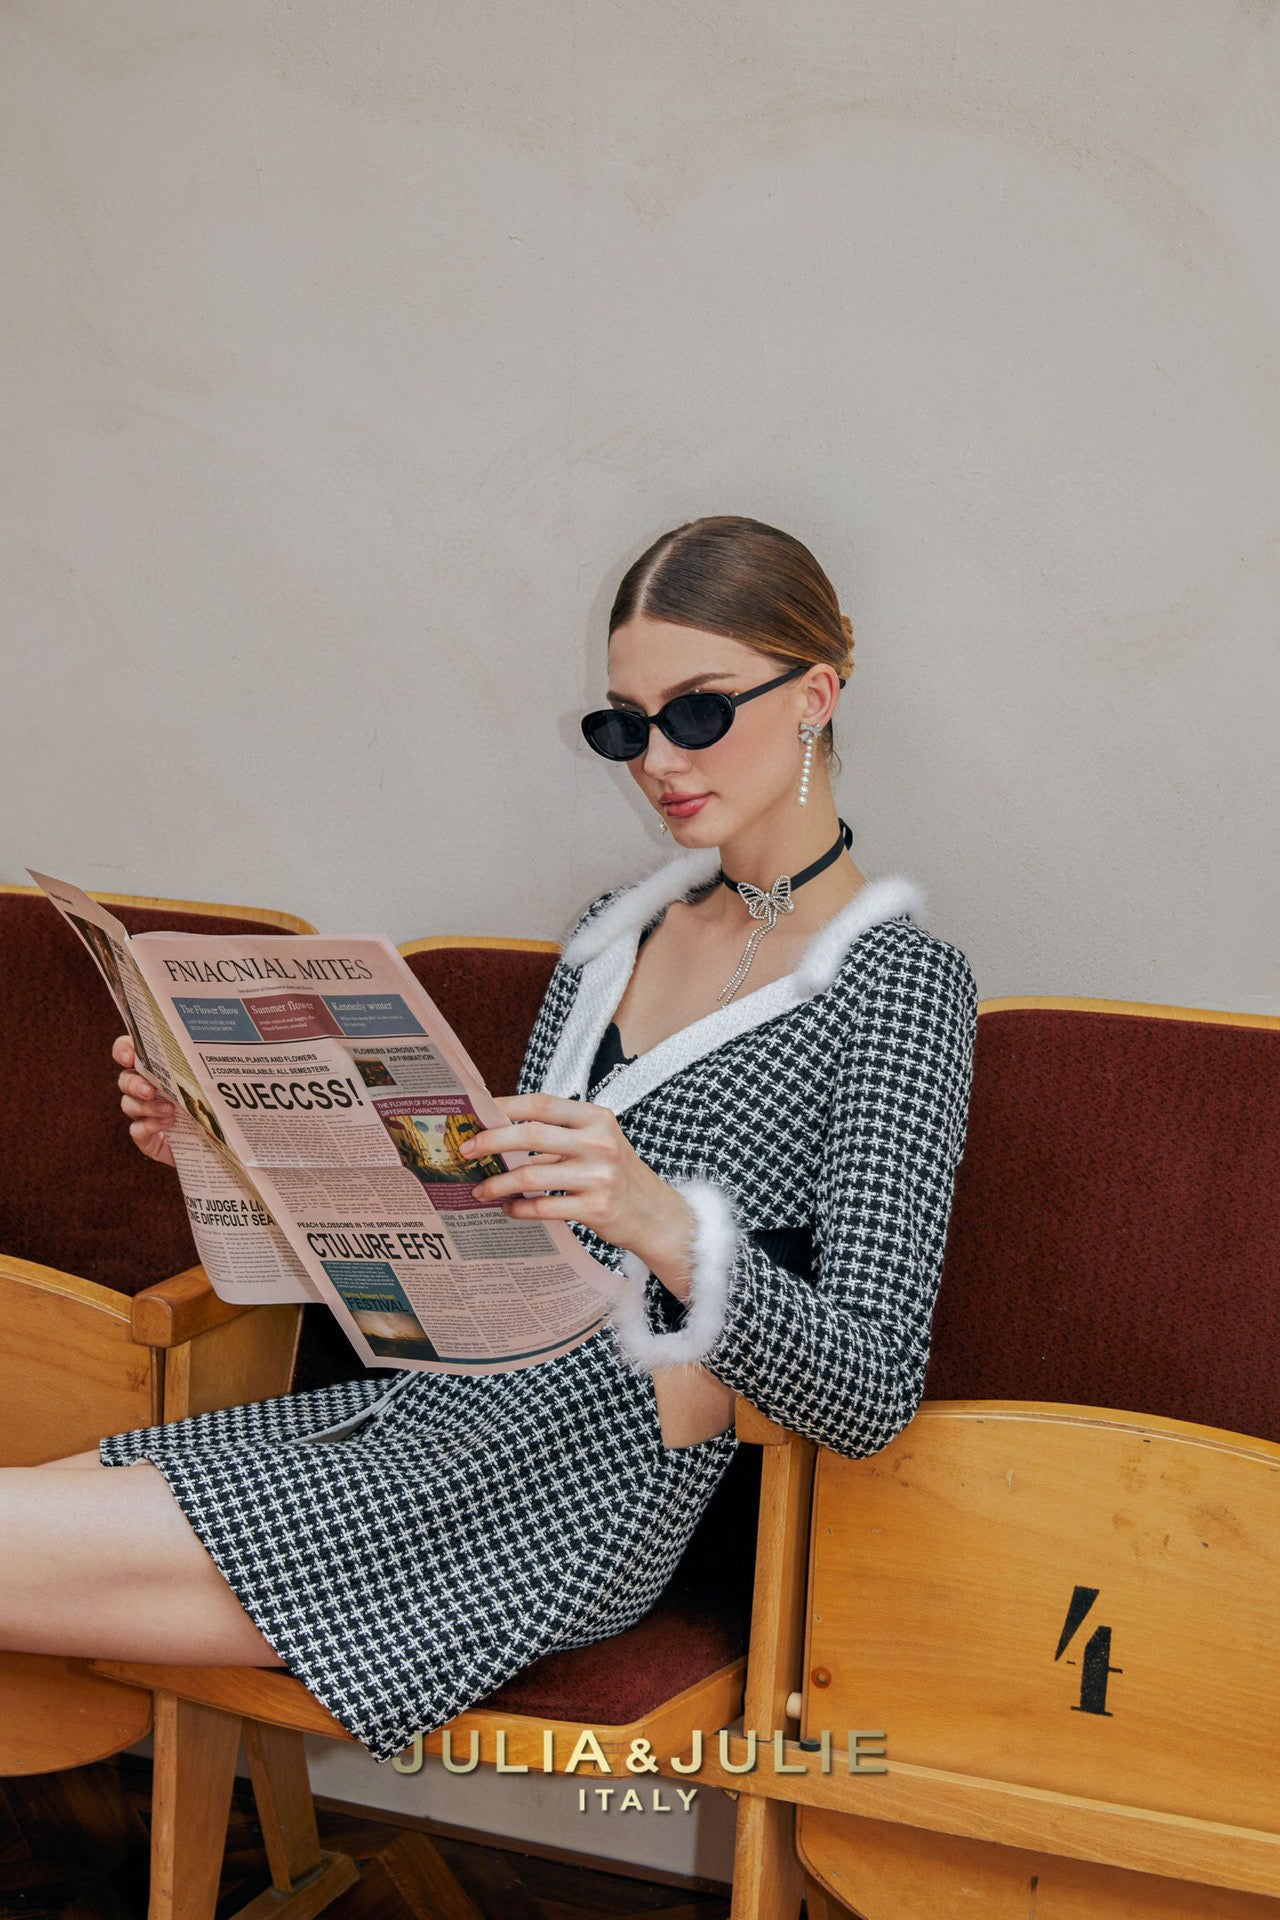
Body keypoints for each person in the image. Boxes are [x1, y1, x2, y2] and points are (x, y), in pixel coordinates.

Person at [2, 514, 978, 1766]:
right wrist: (222, 1149)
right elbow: (458, 1245)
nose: (655, 761)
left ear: (815, 694)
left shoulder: (896, 984)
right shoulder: (603, 940)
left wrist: (660, 1223)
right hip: (417, 1418)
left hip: (573, 1487)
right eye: (624, 725)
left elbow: (870, 1387)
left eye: (695, 710)